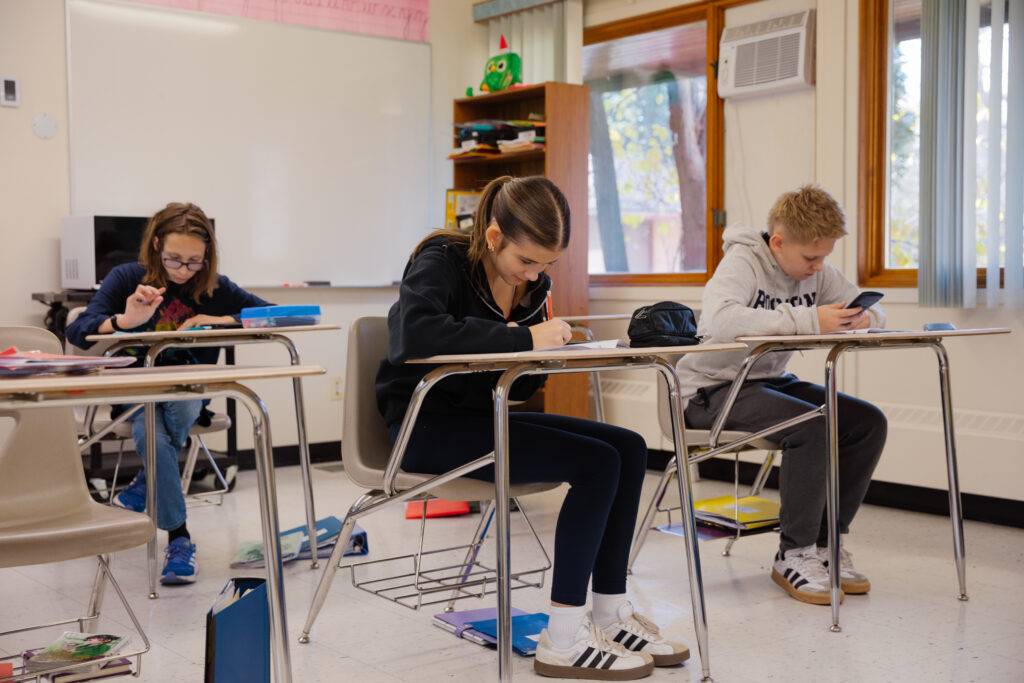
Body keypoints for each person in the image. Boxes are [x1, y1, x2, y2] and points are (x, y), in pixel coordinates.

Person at [376, 175, 689, 680]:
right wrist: (522, 338)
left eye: (547, 265)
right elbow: (412, 335)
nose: (534, 275)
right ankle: (562, 639)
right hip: (424, 428)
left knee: (629, 447)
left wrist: (546, 355)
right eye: (526, 261)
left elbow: (516, 387)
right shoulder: (441, 259)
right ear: (495, 236)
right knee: (596, 462)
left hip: (485, 418)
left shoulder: (533, 286)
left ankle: (610, 612)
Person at [677, 184, 888, 605]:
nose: (818, 267)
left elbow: (877, 312)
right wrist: (810, 319)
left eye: (824, 257)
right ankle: (793, 553)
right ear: (778, 242)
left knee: (866, 423)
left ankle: (825, 547)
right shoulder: (742, 262)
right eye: (811, 258)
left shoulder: (817, 271)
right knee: (812, 425)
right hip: (708, 392)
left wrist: (863, 319)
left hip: (764, 382)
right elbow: (719, 322)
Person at [66, 202, 270, 585]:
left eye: (195, 261)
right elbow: (79, 329)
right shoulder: (128, 278)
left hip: (188, 393)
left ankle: (150, 486)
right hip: (136, 393)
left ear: (207, 256)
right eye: (174, 259)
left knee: (172, 413)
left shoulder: (215, 287)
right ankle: (180, 538)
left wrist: (222, 319)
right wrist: (125, 322)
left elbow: (279, 313)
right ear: (156, 244)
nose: (183, 270)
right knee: (150, 430)